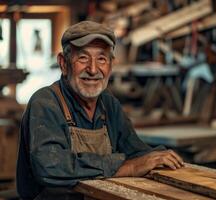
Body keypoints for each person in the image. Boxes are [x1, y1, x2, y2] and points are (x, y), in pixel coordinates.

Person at [16, 20, 184, 200]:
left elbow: (134, 150)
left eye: (101, 59)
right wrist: (129, 167)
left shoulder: (109, 105)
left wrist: (158, 157)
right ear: (64, 64)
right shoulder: (45, 103)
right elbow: (51, 166)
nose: (93, 69)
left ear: (110, 66)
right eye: (83, 58)